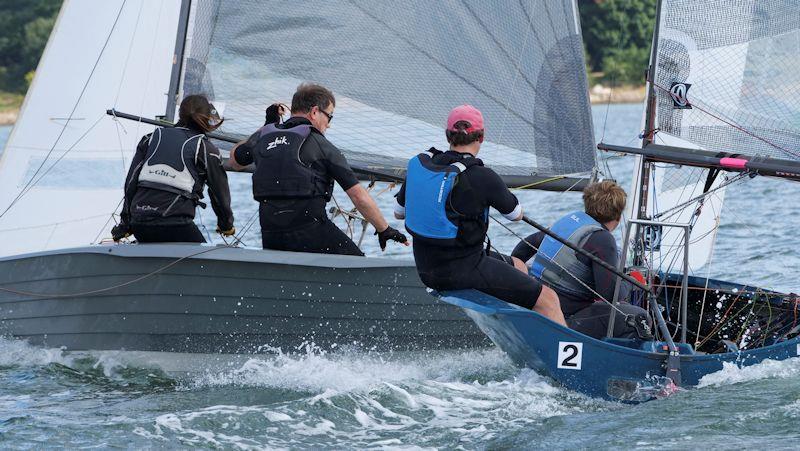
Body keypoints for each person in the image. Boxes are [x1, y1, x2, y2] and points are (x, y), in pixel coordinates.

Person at [395, 105, 566, 326]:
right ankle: (565, 356)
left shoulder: (423, 165)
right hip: (463, 269)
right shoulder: (483, 176)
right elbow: (515, 214)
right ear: (482, 137)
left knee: (519, 266)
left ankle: (523, 332)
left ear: (448, 135)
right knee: (548, 299)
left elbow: (399, 213)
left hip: (427, 270)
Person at [229, 83, 407, 255]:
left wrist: (267, 125)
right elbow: (358, 196)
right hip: (310, 233)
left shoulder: (264, 136)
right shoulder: (321, 145)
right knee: (358, 267)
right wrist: (385, 229)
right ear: (315, 112)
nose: (328, 124)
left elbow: (236, 161)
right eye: (329, 116)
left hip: (271, 235)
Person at [511, 180, 651, 339]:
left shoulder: (570, 221)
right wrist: (633, 282)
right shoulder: (603, 239)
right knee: (640, 317)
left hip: (536, 304)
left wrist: (519, 279)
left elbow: (524, 247)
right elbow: (610, 295)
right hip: (564, 317)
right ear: (618, 216)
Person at [112, 95, 234, 243]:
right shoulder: (206, 148)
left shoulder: (150, 138)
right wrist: (226, 225)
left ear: (180, 114)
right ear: (208, 117)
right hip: (176, 225)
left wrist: (125, 224)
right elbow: (219, 193)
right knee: (199, 254)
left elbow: (130, 183)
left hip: (139, 223)